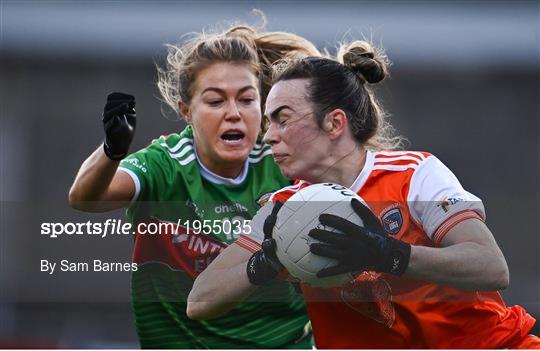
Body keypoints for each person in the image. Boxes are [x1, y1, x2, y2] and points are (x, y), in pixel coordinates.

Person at [187, 41, 540, 348]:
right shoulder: (283, 211)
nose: (268, 137)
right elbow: (200, 300)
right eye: (267, 123)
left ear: (335, 123)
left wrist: (388, 254)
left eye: (282, 118)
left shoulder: (414, 175)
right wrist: (263, 264)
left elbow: (491, 266)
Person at [68, 21, 321, 348]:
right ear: (186, 111)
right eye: (216, 101)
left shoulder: (284, 161)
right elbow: (86, 199)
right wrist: (111, 150)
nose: (233, 113)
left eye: (246, 100)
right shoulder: (165, 164)